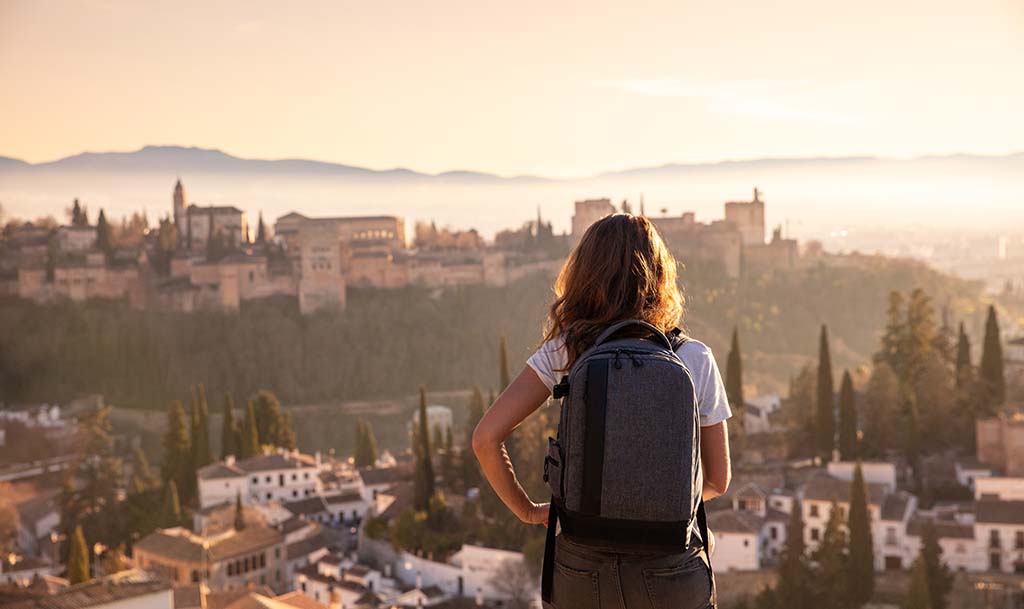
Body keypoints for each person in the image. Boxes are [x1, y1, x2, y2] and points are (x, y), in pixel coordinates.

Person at [472, 212, 732, 609]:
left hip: (581, 562)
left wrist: (527, 511)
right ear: (660, 276)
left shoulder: (566, 349)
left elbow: (485, 439)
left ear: (584, 275)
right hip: (670, 567)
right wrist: (657, 502)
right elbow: (718, 479)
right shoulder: (693, 358)